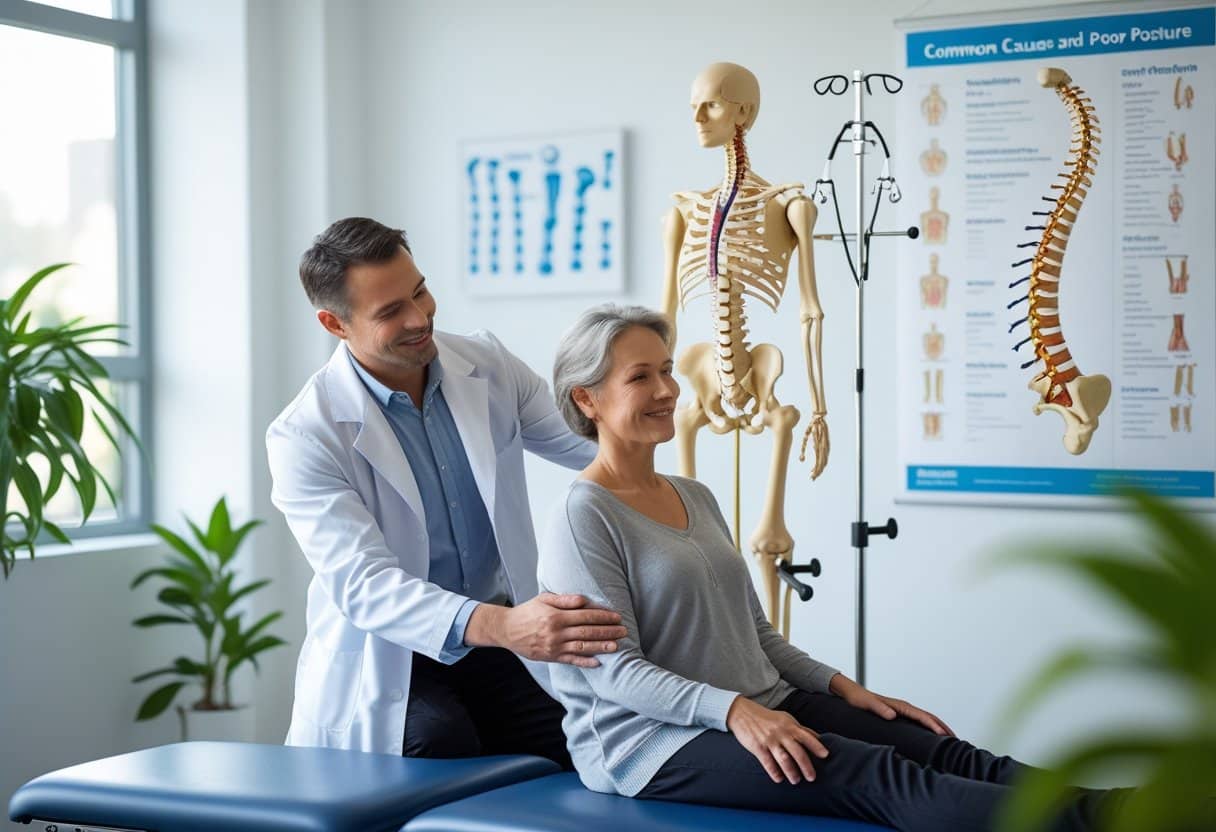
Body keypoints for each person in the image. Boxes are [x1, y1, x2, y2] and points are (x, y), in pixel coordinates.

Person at [537, 303, 1119, 830]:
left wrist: (845, 689)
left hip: (758, 702)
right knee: (879, 775)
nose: (667, 389)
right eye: (641, 377)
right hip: (650, 743)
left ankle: (1126, 806)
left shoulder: (694, 494)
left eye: (667, 370)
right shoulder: (582, 513)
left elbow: (756, 636)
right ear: (587, 399)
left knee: (934, 747)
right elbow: (616, 674)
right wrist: (735, 712)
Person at [266, 217, 626, 762]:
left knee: (583, 742)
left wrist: (644, 394)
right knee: (440, 743)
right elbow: (366, 585)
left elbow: (589, 445)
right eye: (390, 312)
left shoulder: (487, 364)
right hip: (396, 654)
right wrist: (506, 625)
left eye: (420, 292)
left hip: (501, 638)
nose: (419, 318)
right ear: (334, 324)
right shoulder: (306, 434)